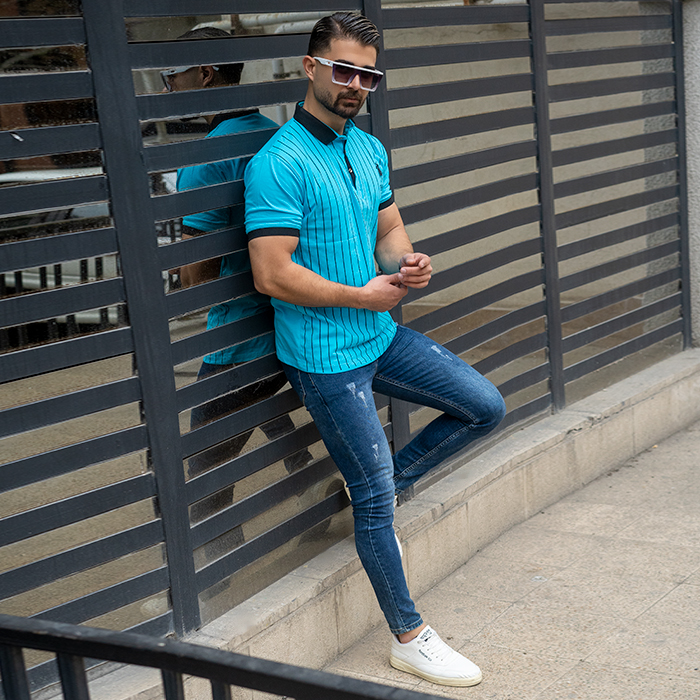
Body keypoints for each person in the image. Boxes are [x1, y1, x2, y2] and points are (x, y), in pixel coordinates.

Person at [243, 12, 506, 688]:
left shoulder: (367, 147)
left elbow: (389, 231)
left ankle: (378, 487)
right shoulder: (278, 163)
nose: (355, 85)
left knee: (484, 406)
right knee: (375, 498)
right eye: (344, 70)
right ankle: (409, 637)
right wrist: (362, 296)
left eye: (368, 75)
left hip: (380, 336)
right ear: (310, 67)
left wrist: (409, 264)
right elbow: (271, 273)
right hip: (326, 356)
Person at [167, 27, 313, 545]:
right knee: (266, 406)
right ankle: (314, 497)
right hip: (291, 317)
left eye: (172, 75)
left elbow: (199, 274)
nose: (166, 88)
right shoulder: (275, 134)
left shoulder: (207, 157)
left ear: (205, 75)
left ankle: (219, 570)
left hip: (239, 335)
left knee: (204, 460)